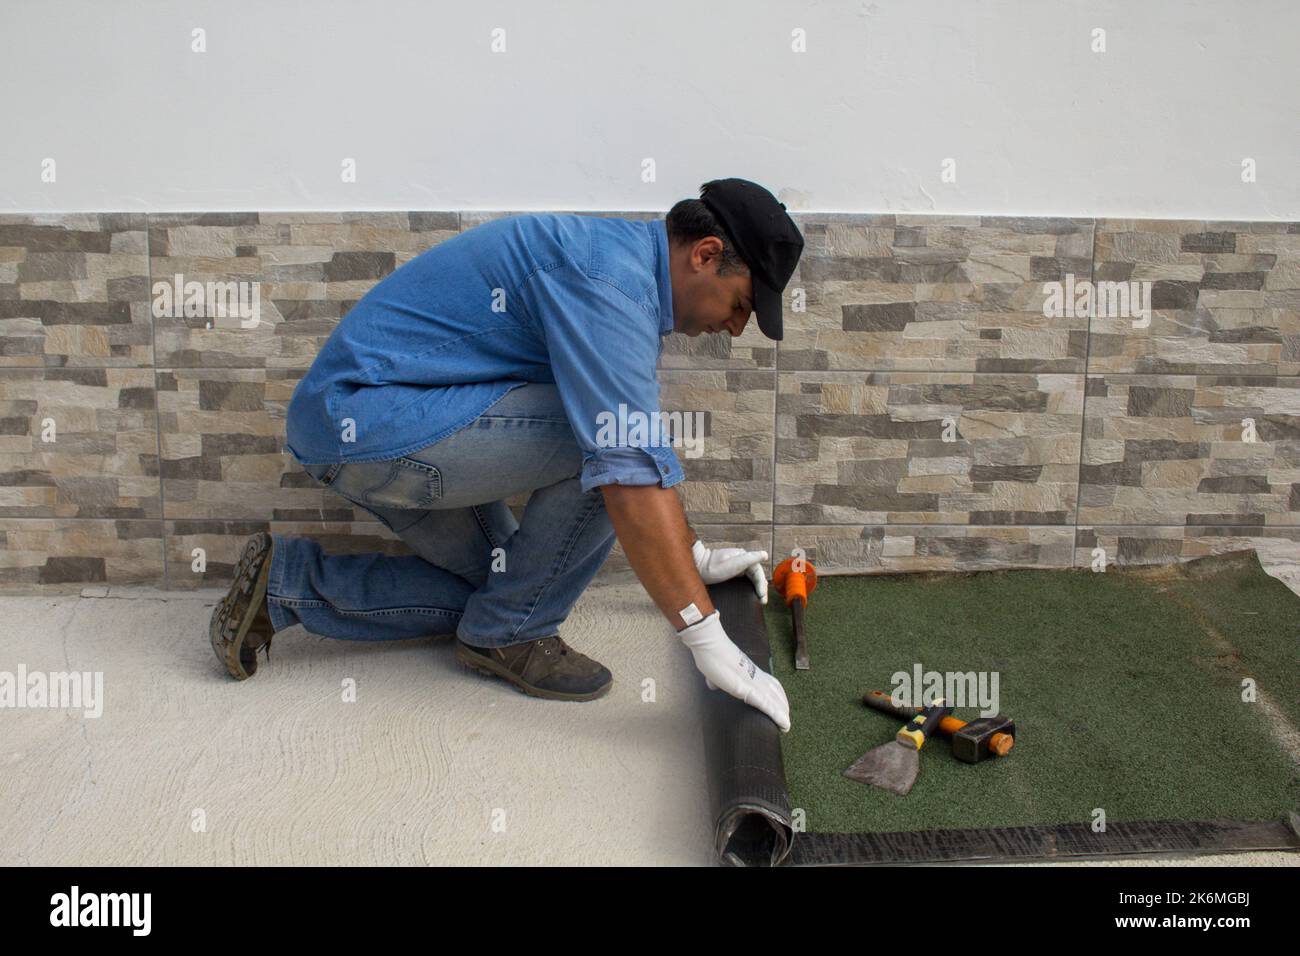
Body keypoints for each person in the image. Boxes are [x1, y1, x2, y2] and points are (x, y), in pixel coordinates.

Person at [209, 178, 803, 732]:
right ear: (704, 254)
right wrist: (707, 639)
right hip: (367, 423)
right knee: (602, 442)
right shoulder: (608, 285)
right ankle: (511, 635)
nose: (737, 327)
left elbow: (632, 452)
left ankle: (286, 585)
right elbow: (627, 466)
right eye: (743, 304)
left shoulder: (614, 269)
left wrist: (691, 555)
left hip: (379, 425)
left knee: (508, 589)